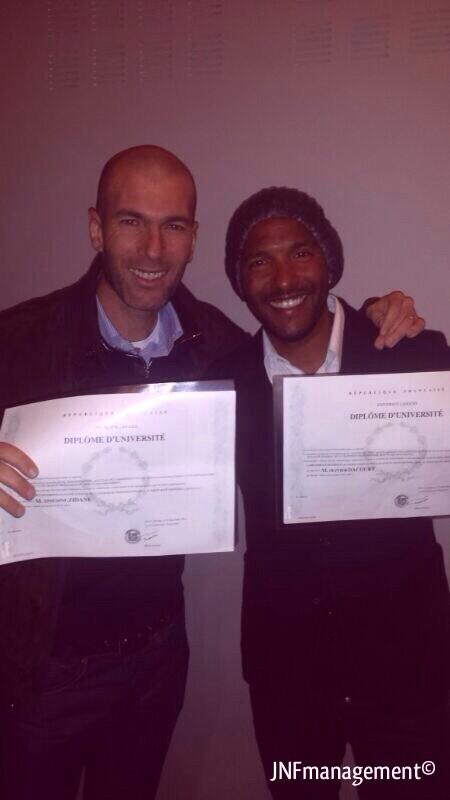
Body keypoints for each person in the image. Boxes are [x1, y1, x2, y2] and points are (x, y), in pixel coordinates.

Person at [0, 147, 425, 800]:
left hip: (155, 665)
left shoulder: (217, 347)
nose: (153, 248)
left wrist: (380, 312)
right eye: (131, 221)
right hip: (39, 675)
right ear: (96, 228)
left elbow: (306, 330)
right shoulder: (17, 342)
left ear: (192, 238)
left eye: (172, 225)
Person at [217, 187, 450, 799]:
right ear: (239, 280)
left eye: (300, 253)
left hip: (408, 677)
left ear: (329, 262)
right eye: (259, 261)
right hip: (288, 678)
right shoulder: (222, 383)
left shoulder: (415, 357)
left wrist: (379, 308)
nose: (283, 278)